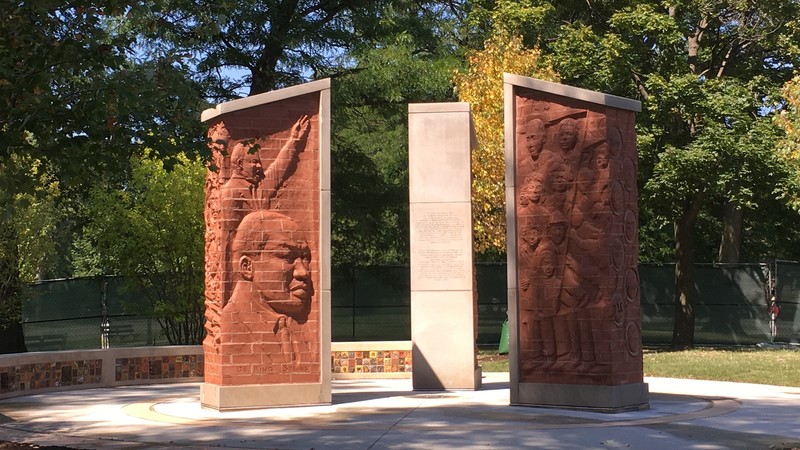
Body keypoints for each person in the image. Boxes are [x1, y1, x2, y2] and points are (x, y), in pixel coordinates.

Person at [222, 210, 315, 366]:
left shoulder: (294, 328)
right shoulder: (229, 328)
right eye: (287, 257)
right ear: (247, 267)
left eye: (305, 258)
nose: (303, 272)